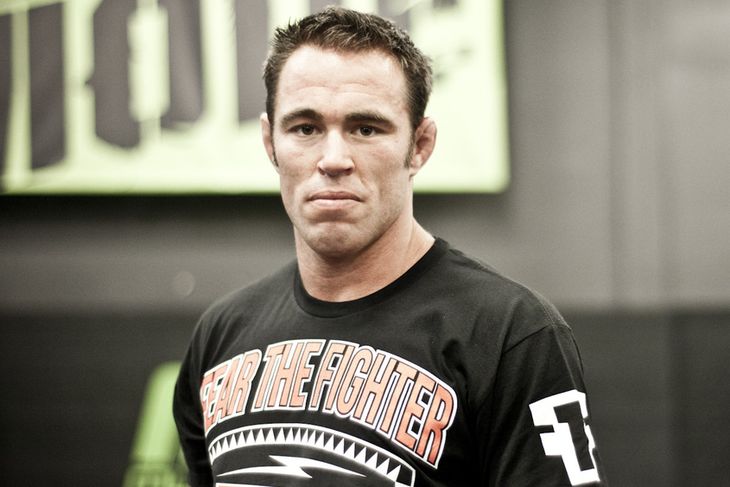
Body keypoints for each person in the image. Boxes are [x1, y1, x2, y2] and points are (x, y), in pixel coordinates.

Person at [173, 7, 607, 486]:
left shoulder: (509, 333)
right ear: (269, 142)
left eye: (365, 128)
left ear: (420, 145)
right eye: (305, 128)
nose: (333, 159)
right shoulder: (221, 335)